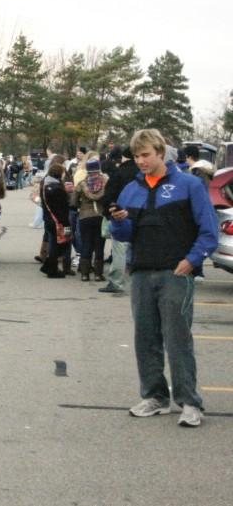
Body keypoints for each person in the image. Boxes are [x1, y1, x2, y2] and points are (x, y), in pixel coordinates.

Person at [110, 129, 218, 428]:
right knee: (145, 338)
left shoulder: (190, 185)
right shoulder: (130, 190)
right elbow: (125, 235)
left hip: (176, 273)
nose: (141, 161)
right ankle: (155, 397)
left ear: (161, 153)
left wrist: (191, 260)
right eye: (136, 156)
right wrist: (119, 224)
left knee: (177, 339)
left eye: (146, 155)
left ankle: (190, 403)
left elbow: (209, 230)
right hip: (142, 273)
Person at [75, 154, 108, 282]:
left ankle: (84, 274)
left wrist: (80, 205)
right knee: (99, 246)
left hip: (85, 217)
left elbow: (73, 202)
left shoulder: (81, 184)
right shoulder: (105, 182)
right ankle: (98, 275)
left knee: (86, 244)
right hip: (100, 216)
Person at [40, 162, 71, 278]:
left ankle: (49, 266)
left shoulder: (46, 184)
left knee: (54, 243)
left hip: (49, 219)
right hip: (59, 222)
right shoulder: (57, 188)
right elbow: (62, 209)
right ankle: (52, 268)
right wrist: (67, 224)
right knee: (61, 244)